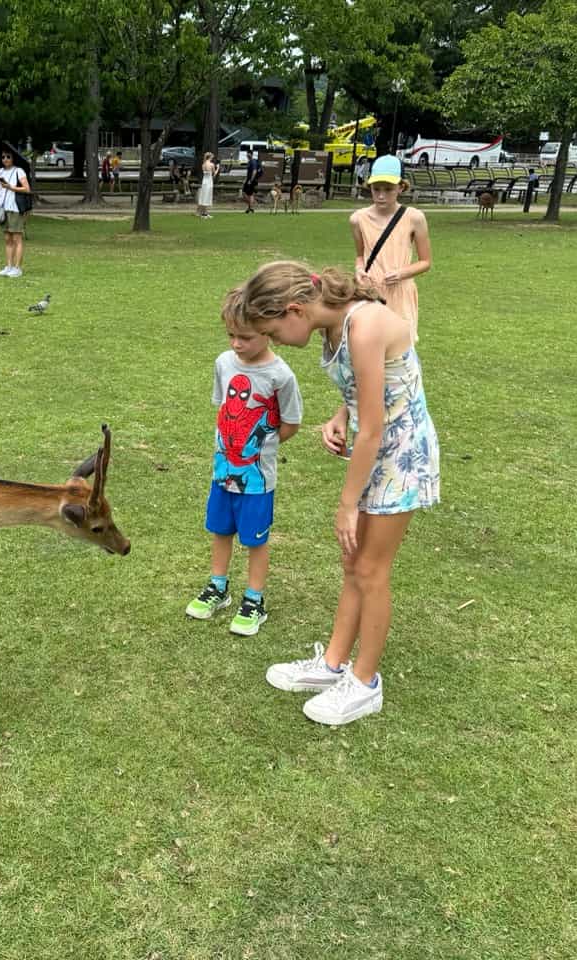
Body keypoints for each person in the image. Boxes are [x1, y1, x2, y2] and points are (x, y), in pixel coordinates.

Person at [239, 261, 440, 726]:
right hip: (378, 448)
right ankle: (332, 665)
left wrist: (347, 505)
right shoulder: (335, 327)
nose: (275, 342)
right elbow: (370, 388)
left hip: (400, 456)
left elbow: (374, 427)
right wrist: (340, 414)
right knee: (353, 563)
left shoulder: (363, 326)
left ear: (295, 310)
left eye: (273, 332)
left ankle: (365, 683)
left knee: (370, 569)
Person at [185, 288, 302, 637]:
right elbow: (223, 408)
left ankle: (254, 600)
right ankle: (217, 587)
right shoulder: (223, 363)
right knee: (220, 529)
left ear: (268, 331)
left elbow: (291, 424)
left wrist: (261, 448)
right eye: (231, 335)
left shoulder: (281, 376)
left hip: (257, 479)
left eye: (246, 337)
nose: (237, 344)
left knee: (254, 539)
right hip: (222, 472)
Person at [350, 155, 430, 344]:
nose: (381, 195)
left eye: (388, 189)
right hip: (370, 293)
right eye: (376, 189)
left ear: (401, 187)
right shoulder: (357, 219)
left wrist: (402, 273)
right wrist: (359, 270)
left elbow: (425, 262)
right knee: (367, 347)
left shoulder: (414, 218)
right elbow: (360, 256)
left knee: (399, 350)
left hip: (400, 293)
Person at [0, 149, 31, 278]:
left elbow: (27, 189)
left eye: (8, 156)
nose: (5, 159)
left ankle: (17, 268)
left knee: (16, 238)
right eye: (3, 157)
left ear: (13, 158)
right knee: (7, 239)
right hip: (3, 208)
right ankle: (8, 266)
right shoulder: (0, 172)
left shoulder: (18, 171)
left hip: (15, 208)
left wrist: (11, 187)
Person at [196, 151, 217, 218]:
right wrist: (218, 168)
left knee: (204, 196)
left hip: (204, 181)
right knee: (207, 197)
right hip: (209, 182)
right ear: (210, 157)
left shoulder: (203, 164)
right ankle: (204, 213)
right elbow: (214, 174)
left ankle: (205, 212)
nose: (212, 158)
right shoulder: (211, 164)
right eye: (212, 157)